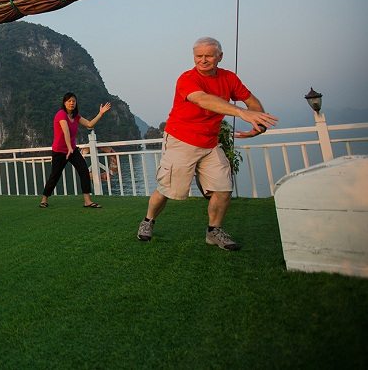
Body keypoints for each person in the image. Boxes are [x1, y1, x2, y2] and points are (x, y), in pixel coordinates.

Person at [137, 37, 278, 250]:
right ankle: (148, 221)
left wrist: (258, 123)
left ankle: (214, 231)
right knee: (167, 189)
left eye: (209, 56)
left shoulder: (229, 78)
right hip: (181, 140)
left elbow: (251, 100)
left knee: (223, 188)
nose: (203, 60)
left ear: (220, 57)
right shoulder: (187, 79)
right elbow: (203, 99)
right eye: (198, 56)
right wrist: (242, 113)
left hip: (210, 143)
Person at [39, 93, 111, 209]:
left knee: (84, 171)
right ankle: (44, 199)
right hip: (59, 151)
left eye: (73, 101)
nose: (71, 103)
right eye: (69, 101)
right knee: (55, 175)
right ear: (64, 103)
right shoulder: (60, 114)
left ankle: (87, 201)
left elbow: (89, 124)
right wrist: (68, 148)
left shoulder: (76, 116)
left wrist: (101, 113)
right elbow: (66, 131)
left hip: (72, 149)